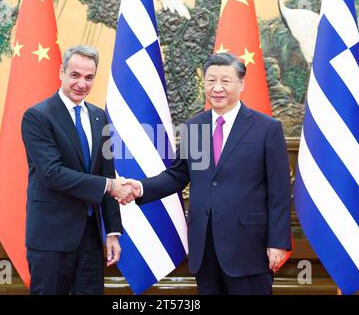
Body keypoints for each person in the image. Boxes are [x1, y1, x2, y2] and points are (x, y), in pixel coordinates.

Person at [122, 53, 292, 295]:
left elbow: (280, 191)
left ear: (241, 84)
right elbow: (177, 176)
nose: (217, 88)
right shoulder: (194, 127)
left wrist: (278, 242)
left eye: (225, 80)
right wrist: (140, 188)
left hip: (248, 247)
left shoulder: (266, 128)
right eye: (211, 81)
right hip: (204, 246)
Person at [21, 45, 132, 295]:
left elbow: (107, 171)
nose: (82, 83)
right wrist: (109, 186)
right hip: (51, 238)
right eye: (75, 75)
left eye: (89, 77)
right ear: (61, 72)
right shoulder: (37, 116)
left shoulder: (98, 116)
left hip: (90, 238)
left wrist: (112, 231)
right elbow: (52, 174)